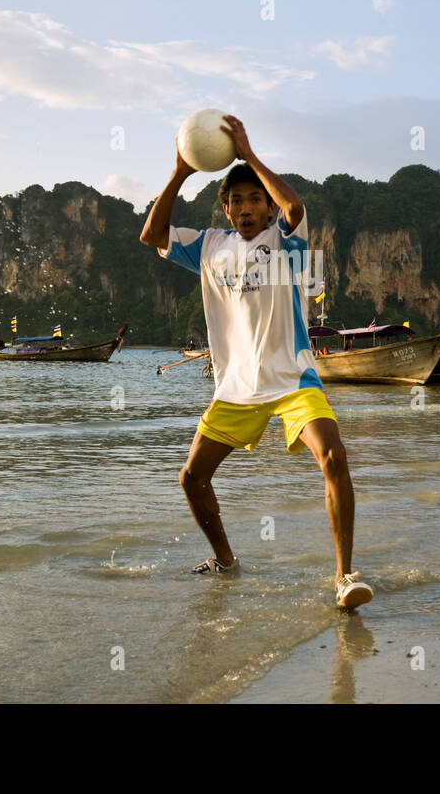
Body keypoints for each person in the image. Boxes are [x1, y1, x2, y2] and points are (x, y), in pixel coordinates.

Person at [138, 115, 373, 610]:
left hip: (292, 377)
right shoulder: (206, 246)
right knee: (191, 478)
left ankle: (344, 576)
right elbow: (150, 235)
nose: (246, 208)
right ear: (225, 209)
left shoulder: (287, 240)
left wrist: (248, 153)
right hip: (236, 387)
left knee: (333, 457)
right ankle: (225, 561)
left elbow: (295, 204)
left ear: (266, 207)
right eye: (236, 201)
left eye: (254, 200)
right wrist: (181, 172)